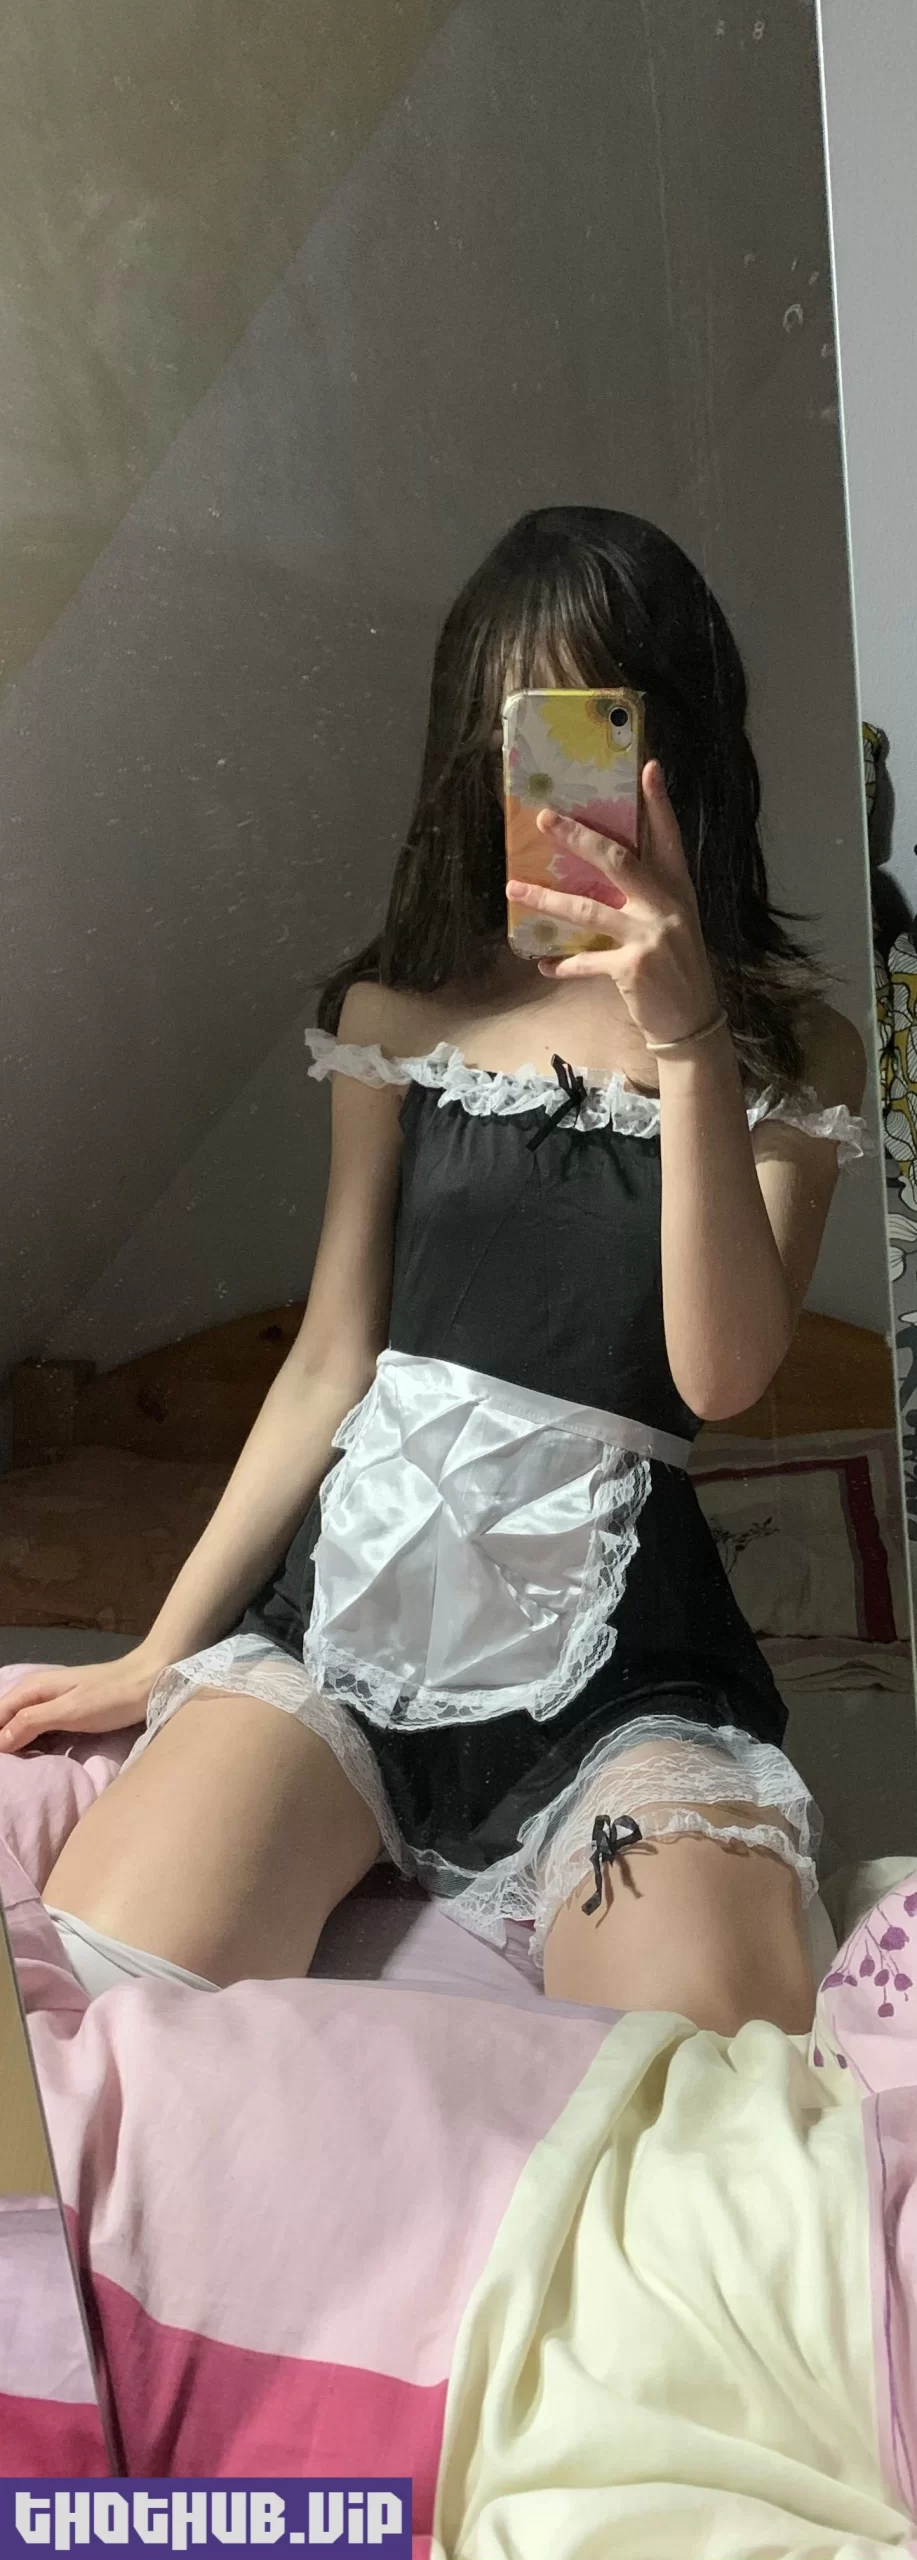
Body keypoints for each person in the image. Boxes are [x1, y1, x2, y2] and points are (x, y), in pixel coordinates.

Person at [0, 507, 868, 2033]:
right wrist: (162, 1647)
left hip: (623, 1662)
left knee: (696, 2064)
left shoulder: (794, 1050)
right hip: (348, 1615)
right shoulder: (398, 1017)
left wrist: (688, 1042)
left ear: (679, 742)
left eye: (596, 722)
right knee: (105, 1984)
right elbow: (330, 1358)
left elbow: (723, 1377)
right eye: (521, 729)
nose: (554, 779)